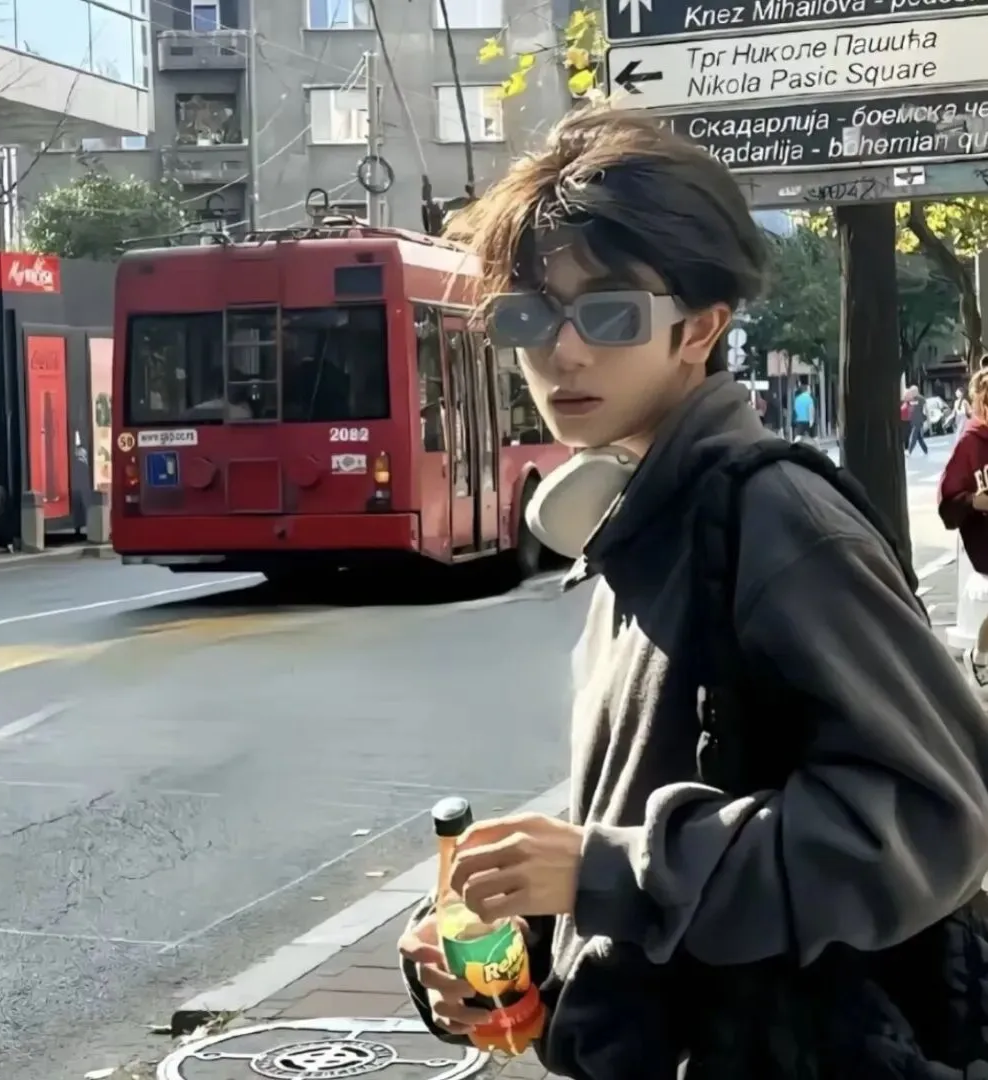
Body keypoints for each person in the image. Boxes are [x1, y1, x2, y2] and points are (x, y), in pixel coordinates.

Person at [397, 104, 988, 1078]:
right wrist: (516, 938)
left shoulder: (777, 520)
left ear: (699, 327)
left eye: (609, 312)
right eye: (529, 315)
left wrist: (602, 869)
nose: (562, 352)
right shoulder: (640, 521)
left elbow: (935, 821)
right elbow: (656, 833)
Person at [940, 369, 988, 692]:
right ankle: (980, 656)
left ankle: (980, 656)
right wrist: (974, 501)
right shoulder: (970, 442)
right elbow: (948, 502)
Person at [906, 383, 929, 455]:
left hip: (919, 421)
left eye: (913, 391)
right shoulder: (910, 399)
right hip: (913, 421)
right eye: (911, 391)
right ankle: (925, 450)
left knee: (913, 436)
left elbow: (926, 409)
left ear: (916, 391)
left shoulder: (921, 398)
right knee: (919, 438)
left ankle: (909, 451)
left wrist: (928, 419)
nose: (911, 392)